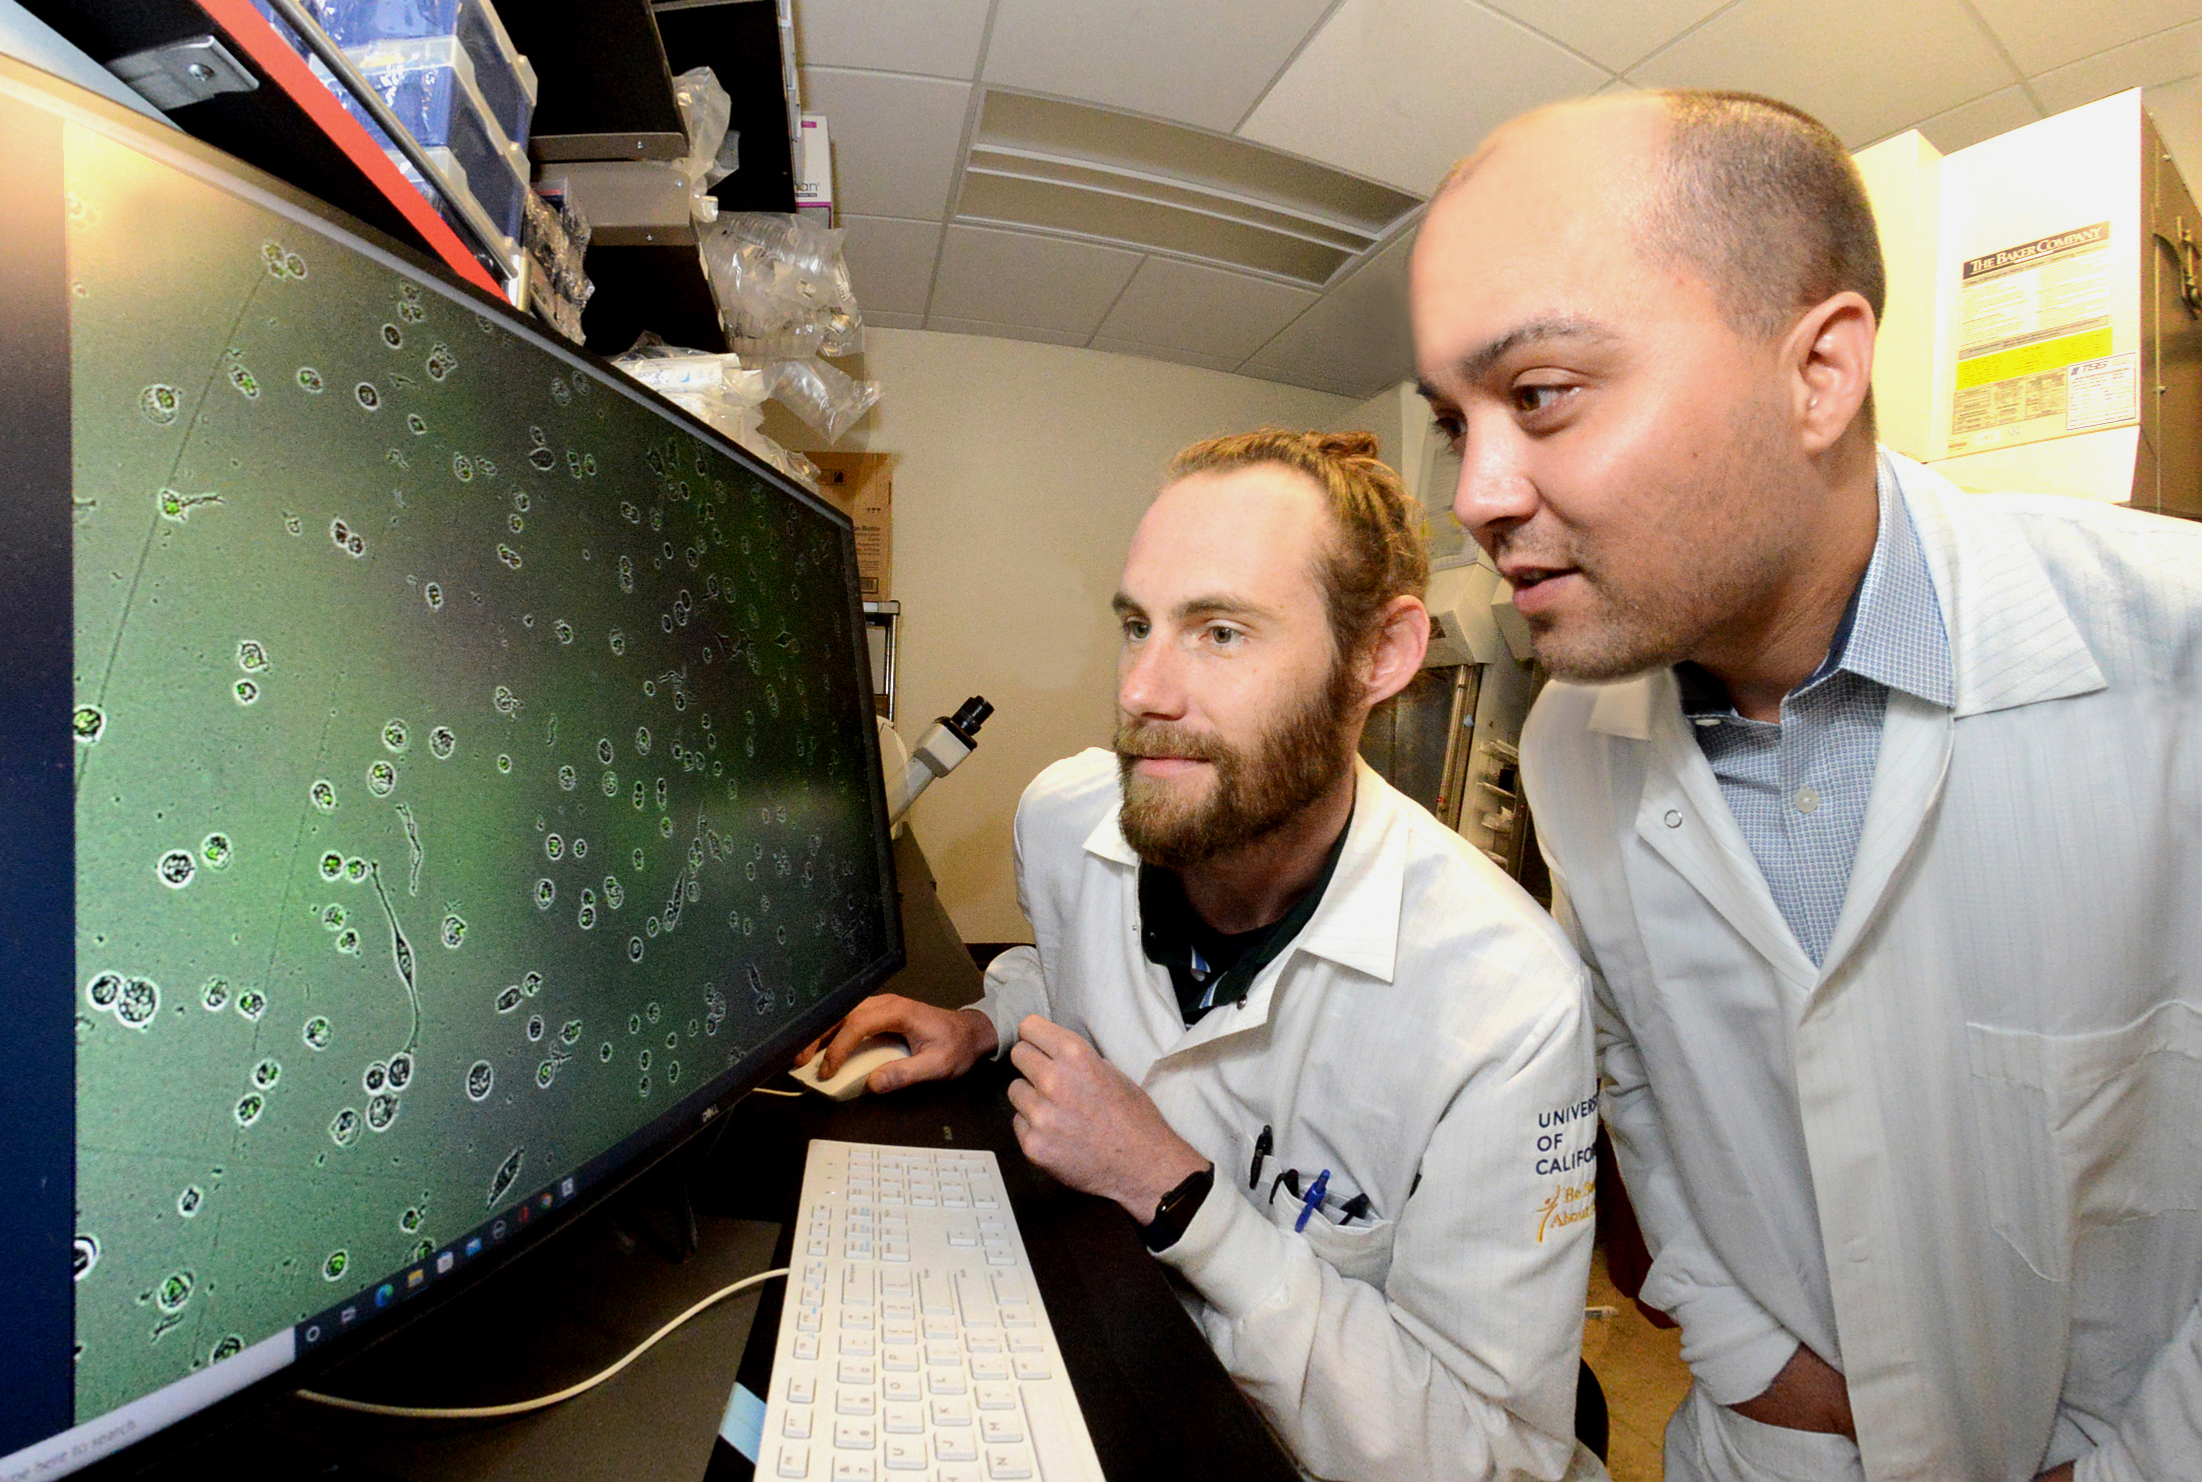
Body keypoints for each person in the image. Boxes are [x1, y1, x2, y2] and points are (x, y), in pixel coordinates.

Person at [1408, 88, 2202, 1482]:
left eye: (1537, 395)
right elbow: (1637, 1083)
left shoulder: (2167, 657)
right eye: (1452, 419)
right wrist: (1743, 1353)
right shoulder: (1569, 741)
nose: (1474, 492)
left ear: (1816, 374)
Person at [803, 429, 1601, 1481]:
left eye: (1220, 631)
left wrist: (1178, 1192)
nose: (1142, 689)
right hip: (1120, 1351)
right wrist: (987, 1019)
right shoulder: (1066, 815)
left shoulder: (1508, 998)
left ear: (1383, 656)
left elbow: (1493, 1457)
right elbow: (1075, 963)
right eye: (1139, 624)